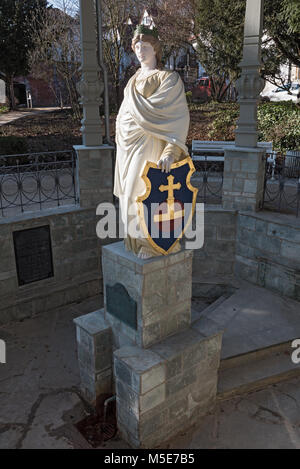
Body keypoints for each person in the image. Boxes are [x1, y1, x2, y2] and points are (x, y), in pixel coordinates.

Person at [114, 25, 190, 259]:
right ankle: (134, 239)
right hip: (126, 146)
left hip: (150, 145)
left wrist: (170, 151)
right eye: (137, 47)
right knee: (128, 195)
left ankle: (151, 243)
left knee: (145, 192)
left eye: (145, 46)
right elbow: (126, 114)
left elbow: (175, 121)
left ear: (155, 49)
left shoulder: (168, 79)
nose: (140, 51)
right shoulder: (132, 81)